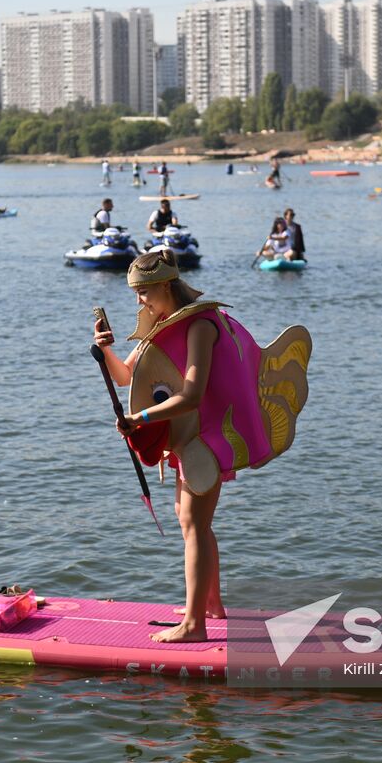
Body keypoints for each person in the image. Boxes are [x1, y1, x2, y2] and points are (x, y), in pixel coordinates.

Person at [93, 250, 309, 642]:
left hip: (208, 437)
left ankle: (194, 626)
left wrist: (139, 421)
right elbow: (126, 378)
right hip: (189, 438)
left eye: (143, 293)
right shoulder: (161, 326)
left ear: (164, 286)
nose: (139, 301)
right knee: (192, 521)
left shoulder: (201, 326)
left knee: (194, 524)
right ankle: (210, 605)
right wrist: (105, 349)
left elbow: (191, 396)